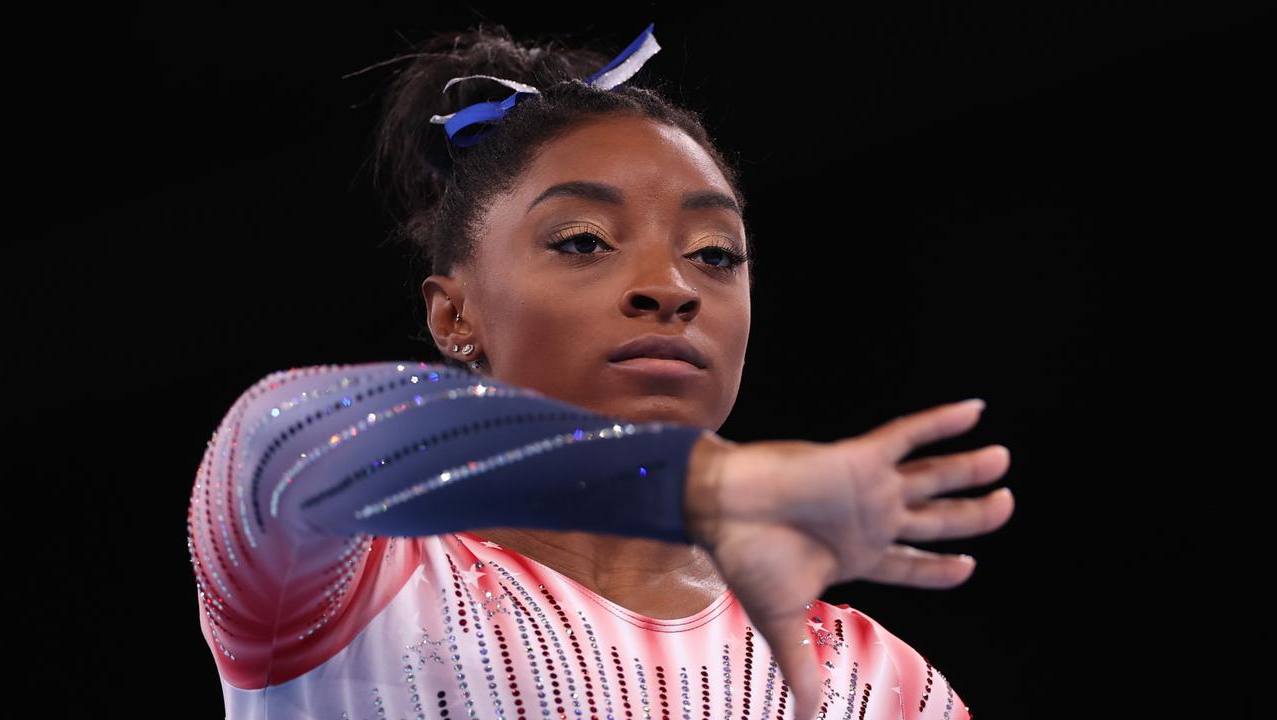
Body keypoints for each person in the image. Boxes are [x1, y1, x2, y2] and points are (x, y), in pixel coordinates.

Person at [186, 21, 1013, 720]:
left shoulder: (869, 684)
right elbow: (275, 441)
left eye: (715, 254)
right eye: (583, 241)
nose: (671, 287)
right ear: (455, 315)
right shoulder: (354, 587)